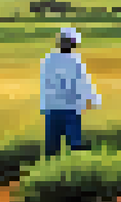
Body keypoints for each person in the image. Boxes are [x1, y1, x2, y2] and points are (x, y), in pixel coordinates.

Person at [39, 27, 100, 159]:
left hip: (52, 108)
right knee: (74, 145)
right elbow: (83, 83)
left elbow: (44, 84)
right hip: (70, 108)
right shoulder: (75, 61)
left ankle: (50, 173)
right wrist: (94, 100)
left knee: (51, 147)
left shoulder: (47, 60)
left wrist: (43, 107)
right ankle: (72, 172)